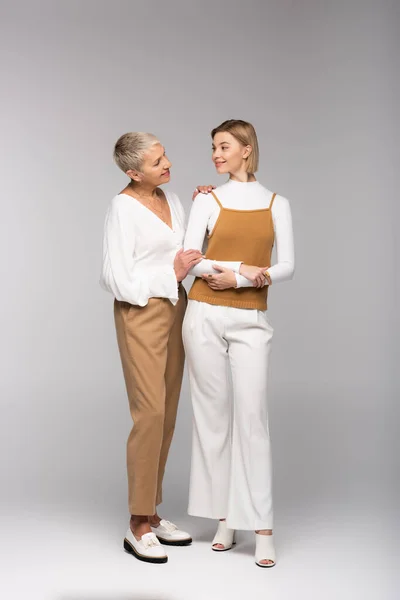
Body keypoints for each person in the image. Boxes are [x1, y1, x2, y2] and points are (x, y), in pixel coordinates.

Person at [100, 132, 241, 564]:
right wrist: (171, 271)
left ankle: (153, 512)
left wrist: (206, 209)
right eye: (158, 161)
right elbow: (115, 277)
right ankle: (137, 524)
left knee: (168, 413)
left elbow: (190, 252)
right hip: (140, 312)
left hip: (176, 308)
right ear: (132, 172)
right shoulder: (122, 208)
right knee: (150, 413)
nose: (169, 164)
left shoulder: (173, 199)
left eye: (165, 157)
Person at [183, 119, 295, 567]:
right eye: (213, 146)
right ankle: (225, 518)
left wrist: (245, 277)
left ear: (246, 149)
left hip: (251, 320)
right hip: (203, 315)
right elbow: (191, 260)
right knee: (213, 419)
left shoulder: (276, 203)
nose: (216, 153)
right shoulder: (207, 200)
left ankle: (263, 527)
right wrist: (237, 270)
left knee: (252, 419)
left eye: (224, 145)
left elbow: (287, 264)